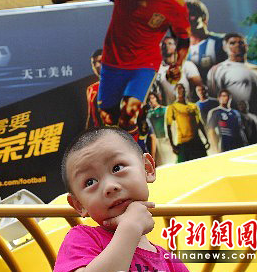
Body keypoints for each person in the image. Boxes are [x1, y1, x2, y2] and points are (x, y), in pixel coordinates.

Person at [51, 0, 191, 142]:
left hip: (144, 64)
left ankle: (136, 153)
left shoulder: (174, 5)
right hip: (113, 62)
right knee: (108, 117)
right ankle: (121, 147)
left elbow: (183, 39)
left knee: (129, 111)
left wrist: (178, 64)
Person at [55, 126, 188, 272]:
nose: (109, 187)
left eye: (117, 168)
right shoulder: (82, 240)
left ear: (147, 168)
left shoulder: (170, 262)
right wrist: (130, 229)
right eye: (90, 182)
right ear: (79, 204)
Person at [207, 33, 257, 138]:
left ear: (246, 46)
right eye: (232, 43)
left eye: (241, 42)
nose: (237, 45)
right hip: (234, 124)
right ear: (225, 47)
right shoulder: (218, 69)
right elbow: (213, 98)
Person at [185, 0, 227, 82]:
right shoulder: (177, 47)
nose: (188, 19)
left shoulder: (221, 42)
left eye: (192, 14)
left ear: (203, 17)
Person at [166, 84, 210, 163]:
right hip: (183, 143)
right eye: (178, 89)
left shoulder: (193, 106)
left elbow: (199, 123)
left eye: (182, 88)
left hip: (197, 142)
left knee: (203, 164)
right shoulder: (172, 107)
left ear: (185, 91)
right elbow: (168, 127)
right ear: (174, 92)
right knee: (186, 169)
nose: (180, 91)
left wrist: (206, 138)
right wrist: (172, 145)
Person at [153, 36, 202, 105]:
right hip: (167, 110)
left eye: (169, 43)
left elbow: (199, 87)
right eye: (163, 44)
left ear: (175, 46)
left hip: (186, 109)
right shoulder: (156, 68)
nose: (166, 46)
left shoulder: (187, 65)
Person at [147, 92, 175, 165]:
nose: (151, 100)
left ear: (156, 98)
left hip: (166, 139)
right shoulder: (148, 114)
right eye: (149, 99)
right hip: (155, 142)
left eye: (153, 98)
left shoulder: (165, 109)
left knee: (171, 161)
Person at [86, 49, 103, 129]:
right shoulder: (91, 89)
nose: (97, 66)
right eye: (94, 63)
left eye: (100, 61)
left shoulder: (122, 84)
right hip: (100, 136)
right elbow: (91, 118)